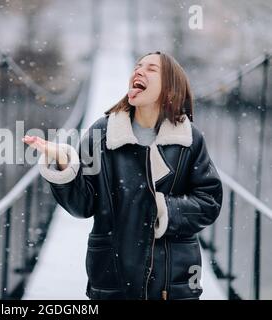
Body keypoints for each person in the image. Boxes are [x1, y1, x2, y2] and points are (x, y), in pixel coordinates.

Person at [22, 51, 223, 300]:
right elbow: (82, 205)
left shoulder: (189, 139)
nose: (138, 71)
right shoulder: (102, 133)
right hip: (113, 278)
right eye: (137, 66)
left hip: (173, 281)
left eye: (151, 69)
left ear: (170, 87)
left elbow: (209, 202)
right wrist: (64, 162)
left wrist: (161, 210)